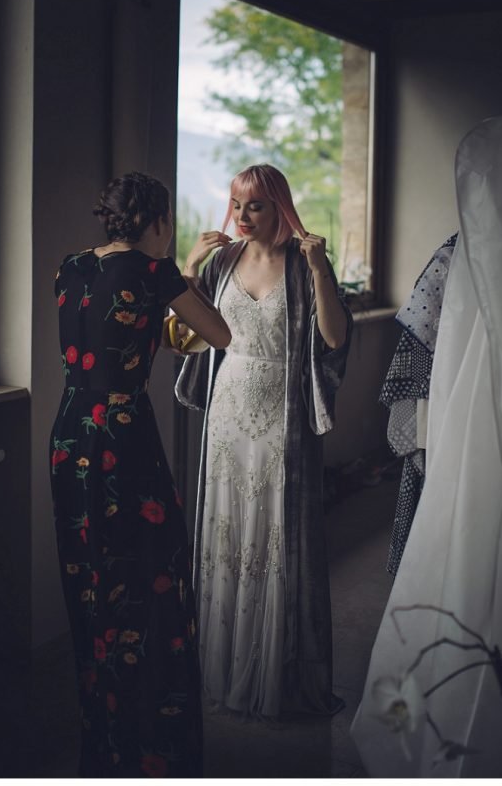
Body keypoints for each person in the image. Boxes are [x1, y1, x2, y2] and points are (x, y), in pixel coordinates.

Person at [49, 171, 231, 777]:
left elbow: (118, 330)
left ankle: (103, 736)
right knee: (150, 573)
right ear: (158, 221)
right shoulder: (156, 272)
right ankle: (151, 736)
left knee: (90, 579)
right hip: (123, 437)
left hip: (70, 433)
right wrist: (187, 271)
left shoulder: (70, 266)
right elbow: (219, 333)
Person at [175, 163, 352, 720]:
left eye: (254, 205)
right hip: (227, 415)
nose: (242, 215)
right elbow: (187, 337)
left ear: (279, 206)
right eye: (236, 204)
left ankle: (277, 674)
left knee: (277, 538)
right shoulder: (223, 261)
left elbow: (334, 339)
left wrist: (320, 271)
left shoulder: (303, 261)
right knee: (228, 533)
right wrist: (188, 269)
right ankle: (222, 667)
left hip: (281, 418)